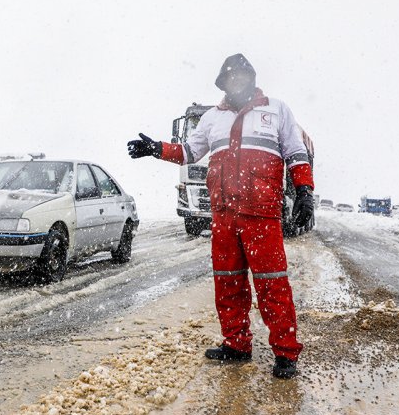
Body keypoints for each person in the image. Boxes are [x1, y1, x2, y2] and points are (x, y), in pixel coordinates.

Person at [127, 53, 314, 379]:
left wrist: (304, 193)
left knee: (272, 285)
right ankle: (237, 346)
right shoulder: (212, 117)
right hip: (224, 215)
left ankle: (285, 353)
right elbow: (190, 151)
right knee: (228, 283)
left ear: (252, 78)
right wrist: (157, 148)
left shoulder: (277, 109)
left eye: (242, 77)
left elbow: (295, 153)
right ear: (224, 82)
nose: (237, 82)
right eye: (231, 78)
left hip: (262, 215)